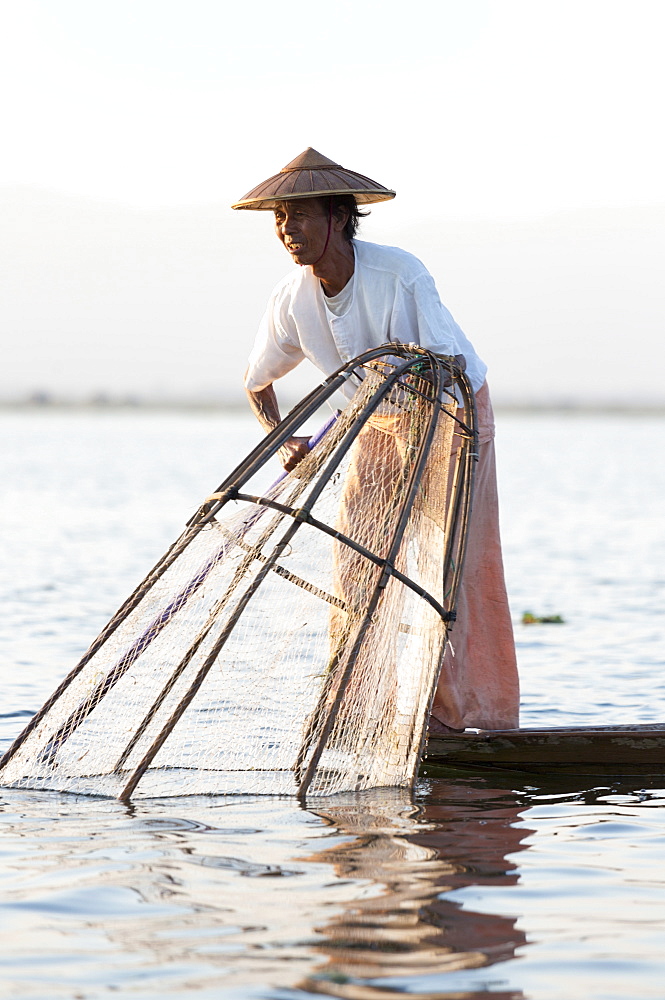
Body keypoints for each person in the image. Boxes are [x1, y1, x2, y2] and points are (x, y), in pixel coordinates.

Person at [232, 148, 519, 732]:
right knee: (357, 564)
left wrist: (404, 387)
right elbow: (257, 382)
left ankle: (473, 718)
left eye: (303, 216)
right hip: (378, 425)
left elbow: (447, 366)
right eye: (281, 220)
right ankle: (361, 709)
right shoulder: (291, 298)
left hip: (452, 416)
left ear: (338, 217)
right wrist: (284, 441)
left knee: (456, 567)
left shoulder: (398, 273)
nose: (290, 231)